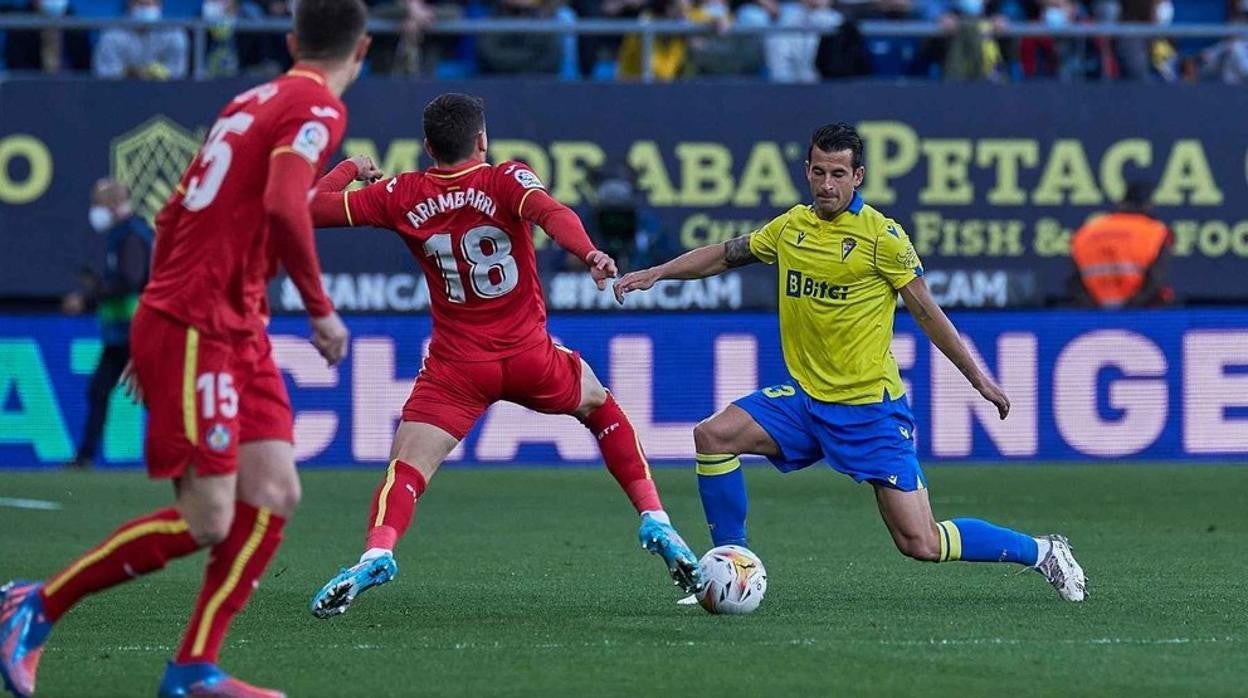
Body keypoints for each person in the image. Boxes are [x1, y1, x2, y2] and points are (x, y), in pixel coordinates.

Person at [0, 1, 371, 696]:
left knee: (275, 491)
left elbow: (186, 211)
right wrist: (321, 312)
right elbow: (284, 209)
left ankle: (194, 667)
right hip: (201, 319)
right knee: (209, 516)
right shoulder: (317, 105)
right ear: (365, 49)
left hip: (226, 320)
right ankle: (33, 605)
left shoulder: (251, 100)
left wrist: (156, 314)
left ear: (294, 41)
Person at [615, 123, 1088, 604]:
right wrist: (657, 272)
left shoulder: (883, 237)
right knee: (713, 437)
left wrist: (979, 379)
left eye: (838, 173)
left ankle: (1043, 551)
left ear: (857, 176)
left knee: (920, 542)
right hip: (806, 403)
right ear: (806, 170)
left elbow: (926, 310)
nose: (826, 184)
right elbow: (724, 254)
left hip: (870, 412)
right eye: (818, 171)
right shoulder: (791, 227)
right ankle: (730, 570)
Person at [305, 93, 702, 619]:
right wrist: (589, 253)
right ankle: (655, 518)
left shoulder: (399, 194)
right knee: (600, 406)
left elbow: (308, 206)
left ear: (428, 147)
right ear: (482, 140)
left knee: (406, 468)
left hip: (456, 368)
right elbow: (551, 213)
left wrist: (352, 167)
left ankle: (378, 550)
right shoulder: (505, 180)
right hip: (529, 355)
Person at [63, 179, 155, 471]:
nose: (95, 212)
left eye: (98, 205)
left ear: (114, 205)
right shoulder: (121, 234)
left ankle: (183, 451)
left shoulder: (132, 234)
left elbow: (130, 280)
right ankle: (85, 456)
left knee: (153, 395)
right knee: (99, 390)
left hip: (137, 331)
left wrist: (92, 295)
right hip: (119, 332)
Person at [1069, 181, 1174, 308]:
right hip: (1139, 314)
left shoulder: (1087, 231)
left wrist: (1095, 308)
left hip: (1093, 313)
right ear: (1148, 204)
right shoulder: (1156, 232)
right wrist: (1129, 308)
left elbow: (1074, 280)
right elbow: (1155, 279)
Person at [93, 0, 190, 79]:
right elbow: (106, 74)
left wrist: (156, 73)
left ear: (159, 5)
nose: (145, 9)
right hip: (119, 95)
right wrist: (135, 73)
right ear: (129, 4)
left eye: (149, 5)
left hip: (165, 95)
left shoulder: (174, 34)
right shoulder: (111, 35)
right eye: (140, 4)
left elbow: (177, 73)